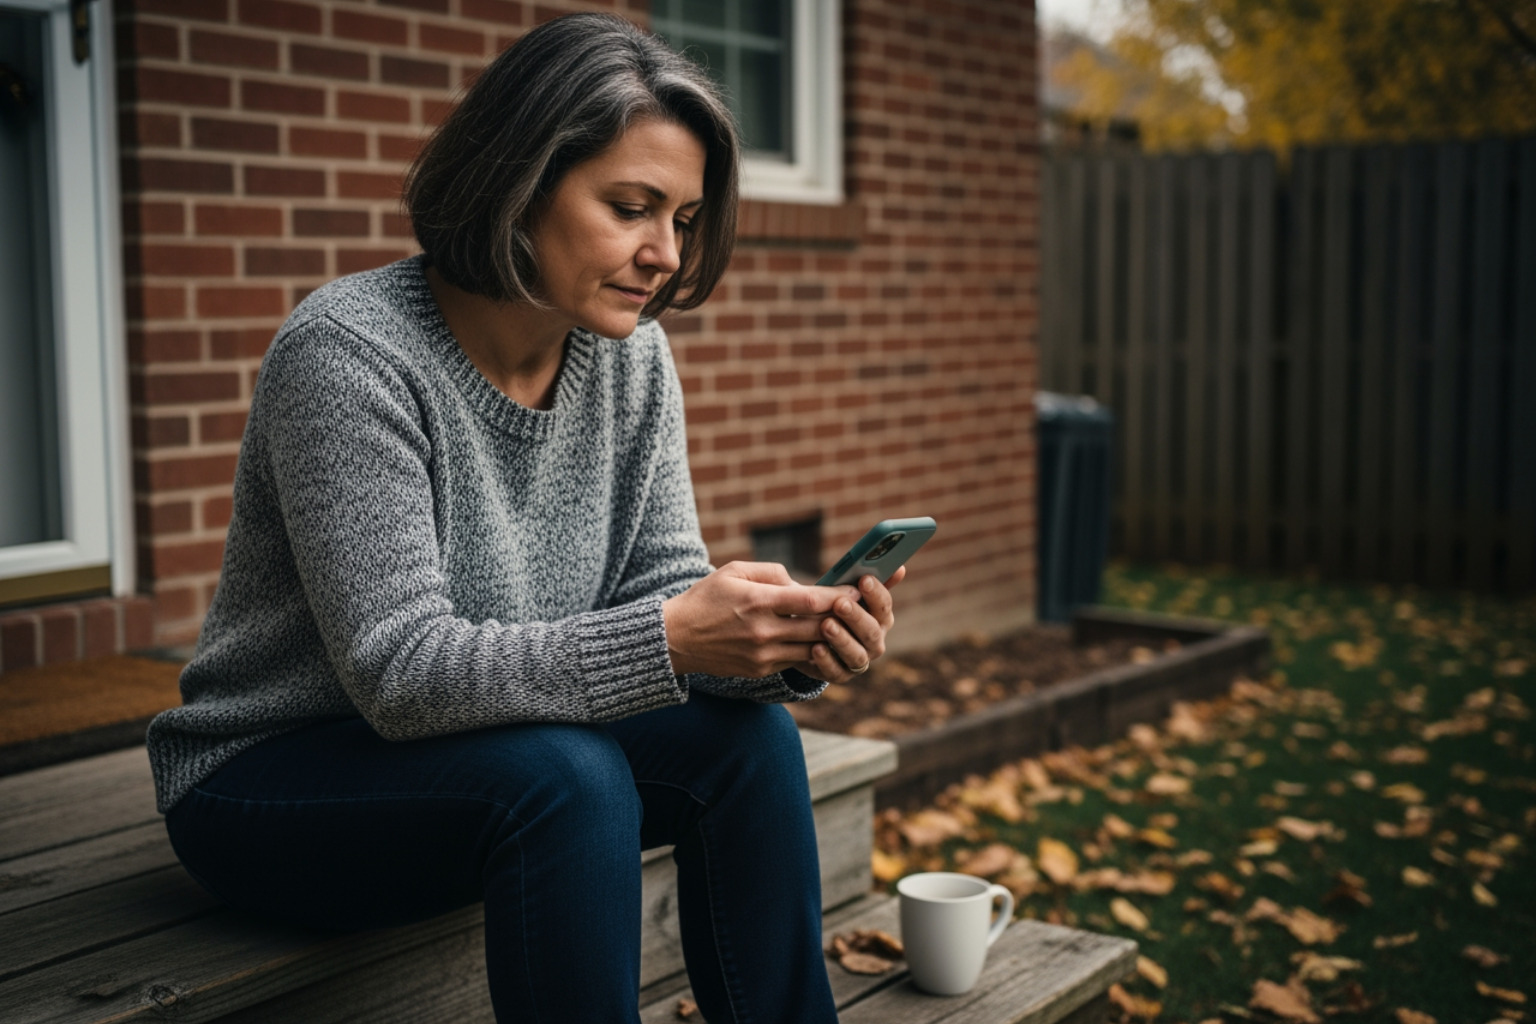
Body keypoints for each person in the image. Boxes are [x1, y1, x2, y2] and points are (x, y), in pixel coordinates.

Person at [145, 12, 904, 1023]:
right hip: (271, 781)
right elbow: (400, 674)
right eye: (630, 206)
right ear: (519, 180)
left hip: (496, 757)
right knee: (570, 776)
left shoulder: (630, 357)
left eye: (680, 218)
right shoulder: (346, 353)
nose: (663, 253)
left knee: (746, 742)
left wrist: (775, 645)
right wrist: (676, 633)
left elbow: (658, 597)